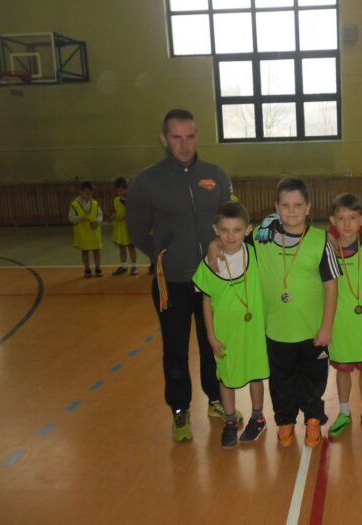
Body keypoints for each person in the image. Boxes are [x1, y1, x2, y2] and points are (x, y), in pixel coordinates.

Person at [126, 109, 234, 443]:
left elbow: (229, 219)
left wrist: (217, 245)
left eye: (189, 136)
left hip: (212, 281)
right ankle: (179, 409)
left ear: (197, 136)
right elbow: (137, 231)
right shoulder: (146, 182)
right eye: (176, 137)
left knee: (213, 344)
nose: (184, 145)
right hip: (170, 283)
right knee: (174, 349)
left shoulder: (216, 175)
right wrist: (165, 257)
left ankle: (216, 399)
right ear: (164, 138)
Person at [253, 177, 340, 448]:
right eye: (285, 205)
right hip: (277, 330)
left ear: (308, 207)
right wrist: (214, 245)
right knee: (281, 381)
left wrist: (326, 327)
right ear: (276, 207)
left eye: (298, 205)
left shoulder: (321, 241)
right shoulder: (261, 238)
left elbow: (332, 286)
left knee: (314, 379)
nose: (291, 211)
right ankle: (285, 421)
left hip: (312, 331)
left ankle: (313, 419)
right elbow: (229, 237)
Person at [192, 202, 269, 449]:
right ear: (216, 230)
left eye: (237, 230)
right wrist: (211, 336)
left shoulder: (255, 254)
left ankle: (258, 417)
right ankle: (229, 421)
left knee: (256, 375)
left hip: (253, 332)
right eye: (224, 230)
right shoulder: (210, 262)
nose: (230, 236)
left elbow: (277, 222)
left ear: (248, 230)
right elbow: (206, 302)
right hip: (225, 334)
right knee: (226, 378)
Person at [327, 193, 362, 439]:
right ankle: (344, 412)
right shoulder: (327, 249)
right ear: (333, 221)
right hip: (340, 324)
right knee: (342, 371)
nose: (347, 224)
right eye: (341, 218)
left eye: (352, 218)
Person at [69, 180, 103, 278]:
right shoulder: (74, 205)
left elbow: (100, 215)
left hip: (94, 231)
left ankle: (98, 268)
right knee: (85, 251)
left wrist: (97, 222)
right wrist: (81, 218)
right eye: (87, 194)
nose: (89, 196)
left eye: (91, 194)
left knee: (97, 250)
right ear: (80, 191)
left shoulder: (95, 203)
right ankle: (87, 269)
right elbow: (71, 218)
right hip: (82, 233)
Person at [110, 177, 138, 276]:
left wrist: (124, 217)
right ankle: (123, 266)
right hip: (120, 229)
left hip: (130, 228)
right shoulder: (116, 200)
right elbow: (114, 212)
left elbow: (136, 214)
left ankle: (134, 266)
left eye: (121, 191)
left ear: (127, 188)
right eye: (117, 191)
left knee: (131, 247)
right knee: (122, 247)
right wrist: (113, 216)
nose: (119, 193)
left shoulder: (133, 199)